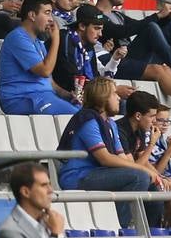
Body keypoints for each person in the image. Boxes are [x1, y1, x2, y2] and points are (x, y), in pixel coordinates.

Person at [57, 77, 162, 228]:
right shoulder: (88, 120)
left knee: (150, 183)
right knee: (139, 177)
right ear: (102, 97)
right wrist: (143, 169)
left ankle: (153, 231)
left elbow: (122, 158)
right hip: (78, 176)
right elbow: (105, 158)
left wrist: (149, 172)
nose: (119, 98)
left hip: (98, 173)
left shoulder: (111, 124)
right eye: (114, 94)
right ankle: (124, 227)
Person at [0, 0, 78, 115]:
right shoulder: (17, 38)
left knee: (85, 111)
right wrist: (56, 39)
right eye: (47, 13)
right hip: (21, 99)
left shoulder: (38, 43)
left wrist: (68, 95)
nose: (51, 19)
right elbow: (45, 71)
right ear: (32, 15)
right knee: (79, 116)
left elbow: (50, 82)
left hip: (43, 97)